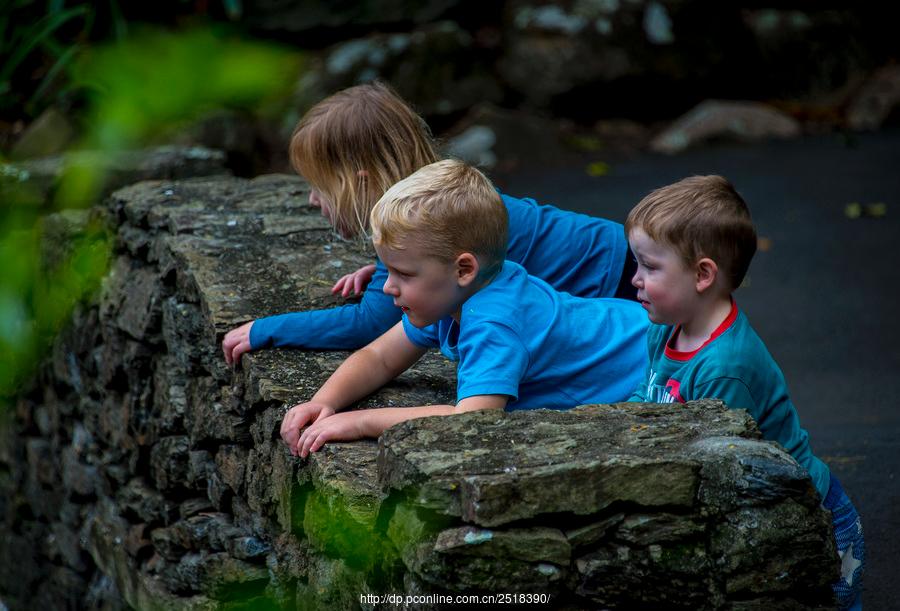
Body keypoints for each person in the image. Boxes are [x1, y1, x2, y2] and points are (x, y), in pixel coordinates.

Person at [222, 81, 635, 363]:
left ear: (361, 181)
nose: (313, 199)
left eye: (319, 186)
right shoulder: (431, 208)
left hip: (621, 279)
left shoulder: (429, 218)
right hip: (613, 252)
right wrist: (394, 271)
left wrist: (267, 329)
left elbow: (369, 326)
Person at [280, 159, 648, 458]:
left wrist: (357, 422)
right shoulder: (456, 295)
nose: (388, 286)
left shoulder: (493, 321)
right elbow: (379, 356)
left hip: (650, 356)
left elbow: (473, 418)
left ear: (464, 269)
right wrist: (323, 403)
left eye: (402, 273)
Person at [625, 175, 864, 610]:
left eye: (650, 266)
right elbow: (646, 397)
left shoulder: (725, 369)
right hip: (754, 497)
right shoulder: (666, 330)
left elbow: (719, 472)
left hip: (809, 513)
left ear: (702, 275)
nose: (635, 279)